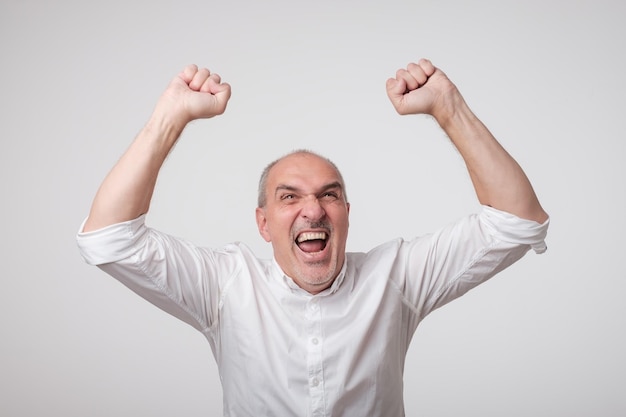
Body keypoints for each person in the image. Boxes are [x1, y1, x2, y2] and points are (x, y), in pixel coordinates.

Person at [77, 58, 549, 416]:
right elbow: (109, 238)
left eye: (329, 195)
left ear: (345, 214)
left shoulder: (396, 277)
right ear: (263, 224)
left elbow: (517, 220)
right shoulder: (225, 286)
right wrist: (169, 119)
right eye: (289, 197)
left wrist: (450, 110)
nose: (312, 209)